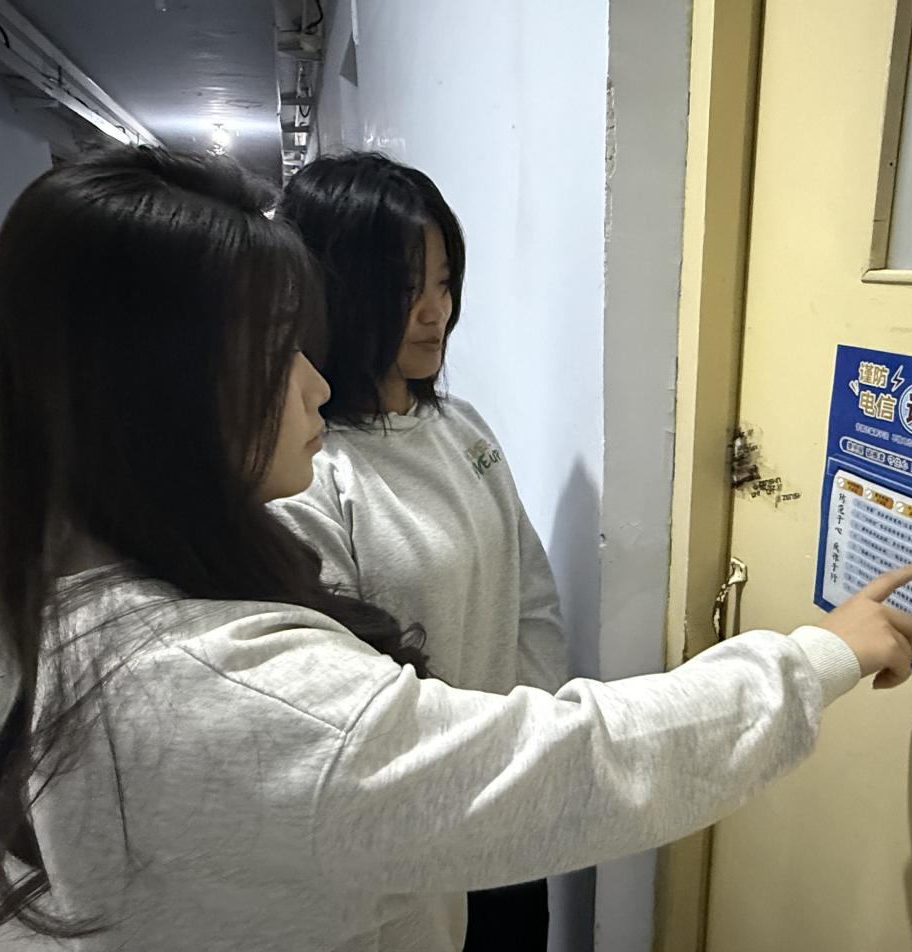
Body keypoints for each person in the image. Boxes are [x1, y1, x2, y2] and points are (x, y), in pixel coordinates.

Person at [0, 146, 912, 952]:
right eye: (277, 350)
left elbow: (526, 606)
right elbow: (575, 764)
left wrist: (508, 719)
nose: (311, 384)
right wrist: (817, 657)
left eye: (443, 285)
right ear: (158, 391)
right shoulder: (235, 688)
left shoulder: (115, 598)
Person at [270, 153, 564, 948]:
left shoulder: (461, 426)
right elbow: (339, 697)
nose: (435, 312)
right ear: (332, 293)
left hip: (510, 802)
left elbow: (531, 598)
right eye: (404, 290)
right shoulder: (310, 473)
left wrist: (528, 747)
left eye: (443, 281)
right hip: (413, 834)